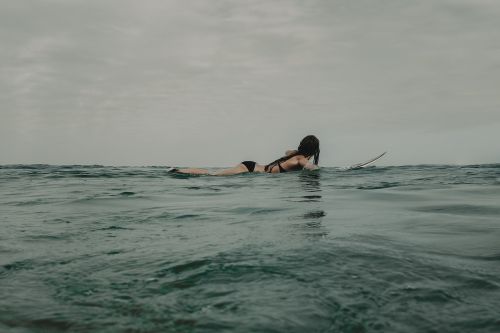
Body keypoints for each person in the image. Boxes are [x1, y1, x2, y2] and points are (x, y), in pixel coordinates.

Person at [172, 135, 320, 176]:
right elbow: (313, 168)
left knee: (214, 175)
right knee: (212, 175)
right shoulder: (300, 159)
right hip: (250, 169)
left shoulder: (294, 155)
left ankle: (180, 170)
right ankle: (179, 171)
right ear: (313, 151)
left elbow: (287, 152)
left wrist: (298, 152)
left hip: (253, 166)